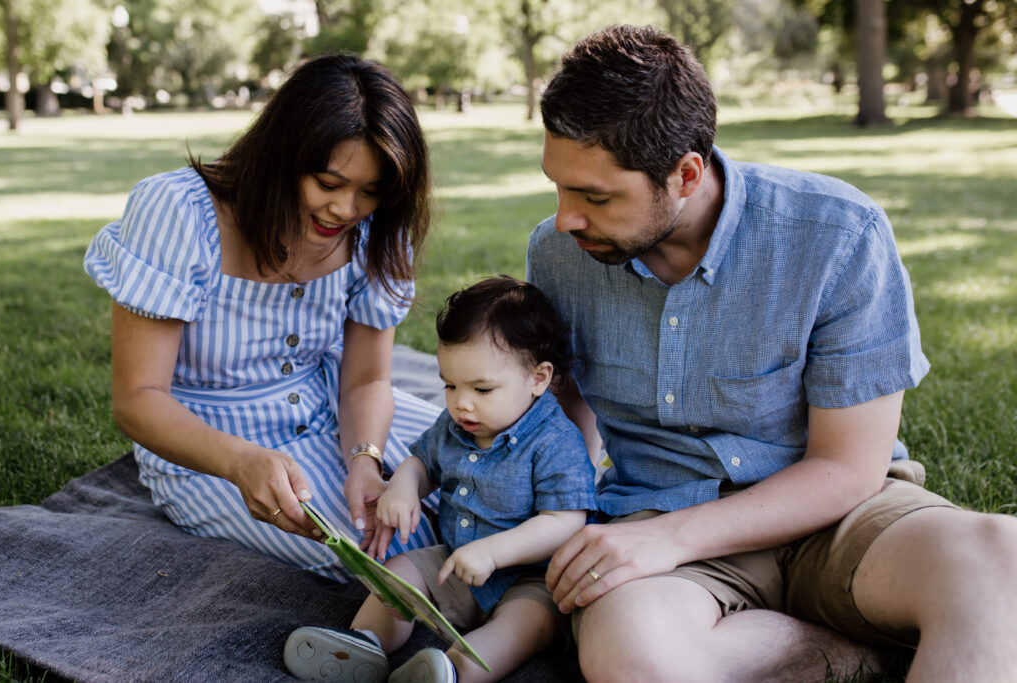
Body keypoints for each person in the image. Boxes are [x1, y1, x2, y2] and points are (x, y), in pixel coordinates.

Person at [527, 25, 1017, 683]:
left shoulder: (838, 235)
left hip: (836, 518)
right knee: (629, 651)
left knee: (997, 556)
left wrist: (672, 538)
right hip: (659, 526)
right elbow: (564, 419)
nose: (566, 219)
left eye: (595, 196)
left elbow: (847, 467)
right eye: (559, 187)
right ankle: (845, 651)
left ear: (686, 173)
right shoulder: (558, 254)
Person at [83, 54, 442, 581]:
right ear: (283, 156)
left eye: (370, 191)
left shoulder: (376, 229)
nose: (347, 210)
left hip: (336, 409)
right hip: (210, 444)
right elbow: (138, 401)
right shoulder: (180, 213)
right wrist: (239, 463)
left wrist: (365, 459)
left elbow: (366, 379)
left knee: (493, 476)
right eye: (328, 182)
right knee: (382, 554)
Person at [283, 276, 598, 683]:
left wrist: (493, 553)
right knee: (399, 572)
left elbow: (564, 521)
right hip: (453, 563)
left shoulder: (556, 441)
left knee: (527, 623)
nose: (461, 402)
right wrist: (402, 486)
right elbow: (421, 463)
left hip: (531, 578)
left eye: (482, 389)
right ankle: (363, 645)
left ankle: (452, 671)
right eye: (449, 384)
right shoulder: (455, 425)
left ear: (538, 379)